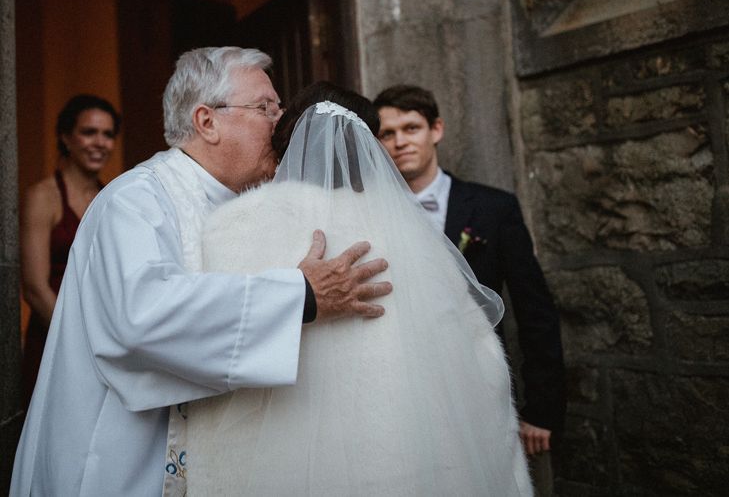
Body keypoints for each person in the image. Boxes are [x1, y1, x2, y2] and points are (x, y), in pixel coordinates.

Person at [10, 48, 391, 497]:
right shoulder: (135, 201)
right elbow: (144, 317)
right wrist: (300, 296)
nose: (281, 121)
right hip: (121, 458)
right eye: (266, 108)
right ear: (207, 121)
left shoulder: (249, 203)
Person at [185, 81, 532, 495]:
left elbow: (208, 346)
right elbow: (481, 361)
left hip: (280, 467)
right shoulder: (411, 233)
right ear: (372, 152)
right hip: (402, 457)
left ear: (282, 148)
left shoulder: (234, 227)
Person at [373, 84, 565, 495]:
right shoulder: (368, 213)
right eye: (388, 133)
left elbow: (535, 311)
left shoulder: (495, 208)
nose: (400, 141)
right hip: (399, 399)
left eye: (411, 128)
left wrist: (542, 409)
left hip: (482, 390)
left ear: (436, 129)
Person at [20, 94, 121, 403]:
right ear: (65, 137)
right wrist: (80, 342)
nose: (100, 143)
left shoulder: (114, 197)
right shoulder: (43, 196)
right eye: (89, 132)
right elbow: (35, 288)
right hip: (57, 337)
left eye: (107, 134)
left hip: (105, 343)